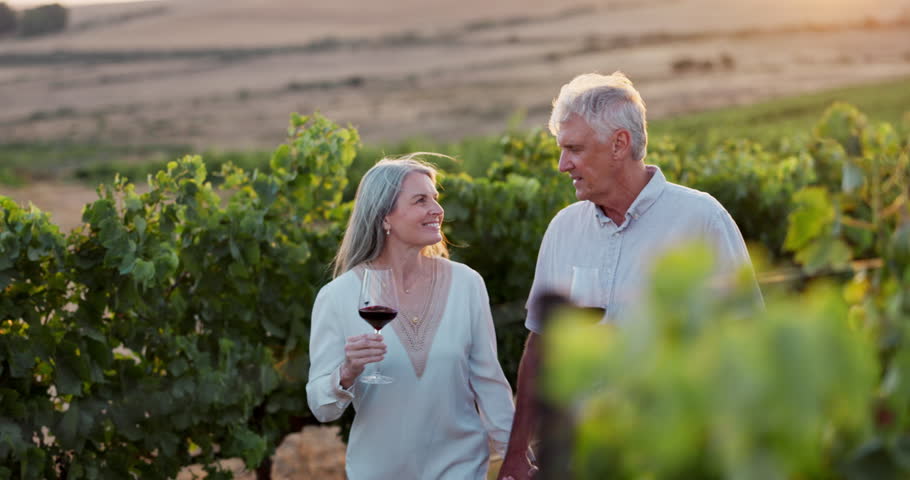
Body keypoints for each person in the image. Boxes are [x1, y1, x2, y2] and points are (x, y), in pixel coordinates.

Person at [497, 72, 762, 479]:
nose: (562, 164)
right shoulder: (563, 229)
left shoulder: (701, 220)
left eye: (574, 149)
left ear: (619, 144)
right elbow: (540, 348)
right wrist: (517, 451)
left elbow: (746, 339)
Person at [306, 154, 515, 479]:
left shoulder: (467, 284)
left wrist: (514, 455)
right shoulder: (337, 297)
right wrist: (348, 372)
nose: (437, 210)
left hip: (460, 469)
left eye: (435, 198)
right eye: (421, 200)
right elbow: (321, 407)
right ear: (385, 216)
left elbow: (489, 383)